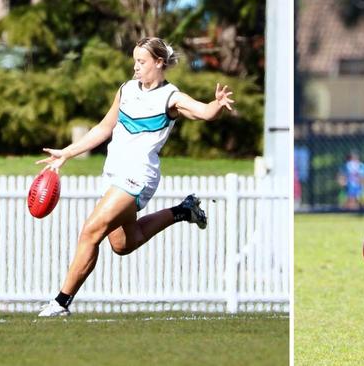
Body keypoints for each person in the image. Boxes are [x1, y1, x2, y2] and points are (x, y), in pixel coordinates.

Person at [36, 37, 235, 317]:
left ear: (159, 62)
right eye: (134, 61)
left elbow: (202, 112)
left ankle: (60, 302)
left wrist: (216, 104)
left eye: (141, 62)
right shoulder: (126, 90)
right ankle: (183, 211)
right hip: (114, 173)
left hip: (139, 175)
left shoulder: (171, 97)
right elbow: (104, 128)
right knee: (123, 244)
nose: (136, 67)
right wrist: (67, 153)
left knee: (91, 230)